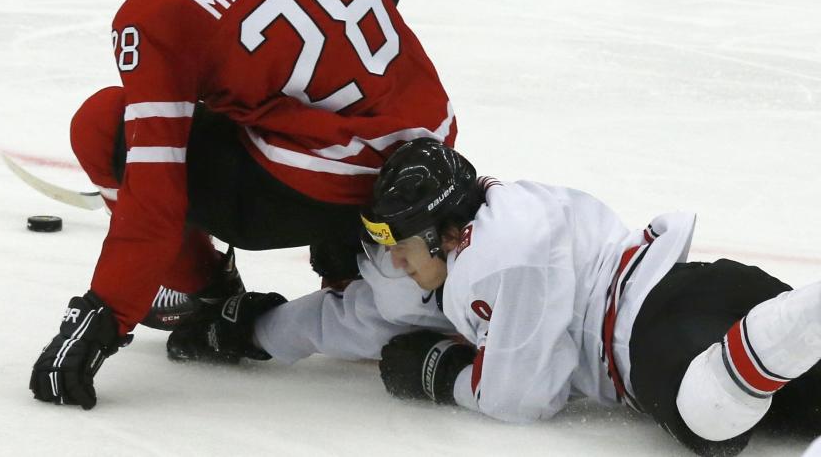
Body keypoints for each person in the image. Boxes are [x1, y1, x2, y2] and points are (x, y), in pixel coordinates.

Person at [28, 0, 457, 409]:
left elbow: (154, 194)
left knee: (102, 123)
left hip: (318, 189)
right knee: (252, 96)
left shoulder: (158, 15)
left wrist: (103, 316)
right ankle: (351, 257)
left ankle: (206, 292)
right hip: (428, 149)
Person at [181, 139, 821, 456]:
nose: (392, 258)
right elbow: (350, 322)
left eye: (397, 240)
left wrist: (443, 377)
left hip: (658, 338)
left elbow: (521, 399)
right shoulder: (465, 246)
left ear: (442, 231)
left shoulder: (497, 254)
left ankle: (799, 322)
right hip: (709, 295)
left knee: (709, 419)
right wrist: (255, 331)